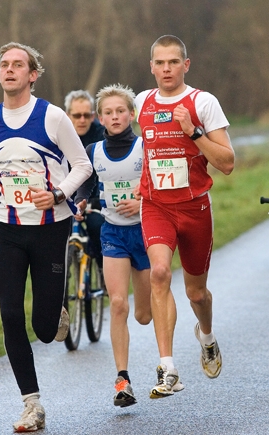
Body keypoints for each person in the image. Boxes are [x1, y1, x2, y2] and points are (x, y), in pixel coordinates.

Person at [0, 42, 92, 432]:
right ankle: (32, 404)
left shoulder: (53, 117)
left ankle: (55, 309)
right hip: (7, 230)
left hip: (49, 228)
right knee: (10, 314)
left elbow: (83, 165)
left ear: (33, 74)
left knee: (45, 331)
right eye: (4, 65)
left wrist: (60, 193)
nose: (9, 70)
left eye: (18, 65)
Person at [133, 35, 235, 398]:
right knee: (159, 272)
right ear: (151, 67)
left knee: (196, 292)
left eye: (173, 62)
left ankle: (206, 336)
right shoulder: (142, 101)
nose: (166, 69)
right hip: (156, 206)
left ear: (185, 65)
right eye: (159, 63)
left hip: (194, 209)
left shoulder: (202, 102)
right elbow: (114, 132)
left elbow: (226, 163)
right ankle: (168, 368)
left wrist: (192, 131)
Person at [75, 84, 152, 408]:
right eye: (108, 112)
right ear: (100, 118)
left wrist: (142, 201)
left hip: (147, 234)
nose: (115, 116)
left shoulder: (145, 148)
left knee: (144, 315)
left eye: (120, 111)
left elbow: (159, 186)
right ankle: (123, 379)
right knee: (118, 304)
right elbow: (85, 186)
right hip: (113, 234)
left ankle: (152, 328)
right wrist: (79, 202)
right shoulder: (92, 151)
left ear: (131, 114)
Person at [64, 90, 106, 268]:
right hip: (67, 195)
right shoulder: (59, 133)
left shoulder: (102, 134)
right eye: (77, 115)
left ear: (93, 116)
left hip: (94, 196)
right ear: (68, 115)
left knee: (98, 227)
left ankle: (102, 266)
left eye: (86, 115)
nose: (82, 120)